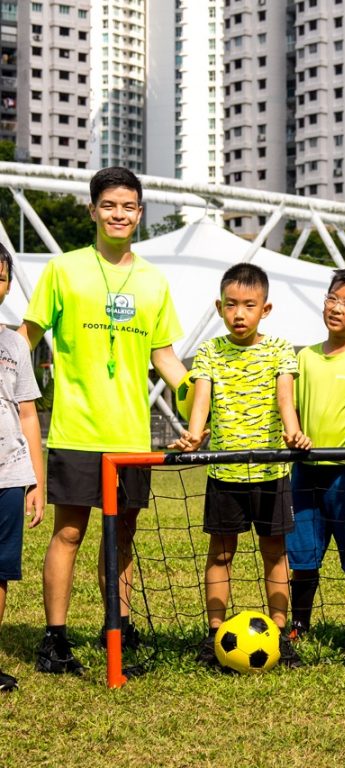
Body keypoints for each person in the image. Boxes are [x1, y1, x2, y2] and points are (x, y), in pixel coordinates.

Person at [18, 167, 186, 676]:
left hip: (131, 435)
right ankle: (54, 639)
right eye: (109, 205)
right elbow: (23, 340)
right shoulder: (63, 270)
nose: (120, 214)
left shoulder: (154, 280)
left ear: (140, 213)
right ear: (93, 210)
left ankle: (120, 623)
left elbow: (166, 357)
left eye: (129, 206)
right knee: (69, 533)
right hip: (76, 429)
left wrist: (202, 392)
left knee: (124, 535)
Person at [169, 262, 311, 669]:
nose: (239, 313)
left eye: (249, 305)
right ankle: (215, 635)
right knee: (220, 555)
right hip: (224, 474)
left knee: (275, 553)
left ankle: (279, 635)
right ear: (219, 306)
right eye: (231, 304)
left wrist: (293, 433)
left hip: (270, 472)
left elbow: (286, 399)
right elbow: (201, 403)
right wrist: (194, 435)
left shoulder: (281, 349)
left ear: (265, 309)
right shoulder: (210, 352)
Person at [286, 268, 345, 636]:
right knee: (303, 554)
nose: (336, 308)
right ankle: (299, 625)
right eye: (332, 299)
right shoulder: (305, 357)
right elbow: (290, 408)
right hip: (305, 471)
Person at [0, 247, 45, 691]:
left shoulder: (15, 343)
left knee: (0, 572)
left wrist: (36, 481)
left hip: (9, 476)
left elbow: (28, 414)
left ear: (9, 284)